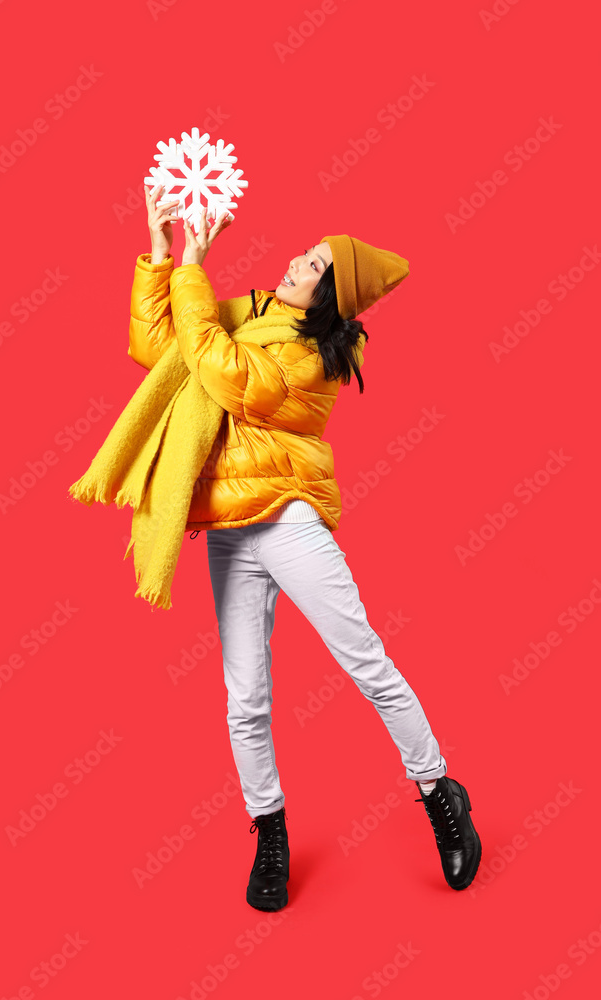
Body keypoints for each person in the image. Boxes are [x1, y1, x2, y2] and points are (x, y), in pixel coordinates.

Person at [128, 184, 482, 911]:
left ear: (331, 296)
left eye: (316, 263)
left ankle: (438, 790)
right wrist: (161, 260)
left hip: (286, 519)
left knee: (365, 662)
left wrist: (196, 268)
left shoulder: (317, 358)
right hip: (227, 529)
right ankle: (270, 833)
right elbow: (163, 352)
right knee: (244, 700)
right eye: (307, 251)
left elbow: (229, 379)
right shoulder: (248, 314)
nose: (297, 260)